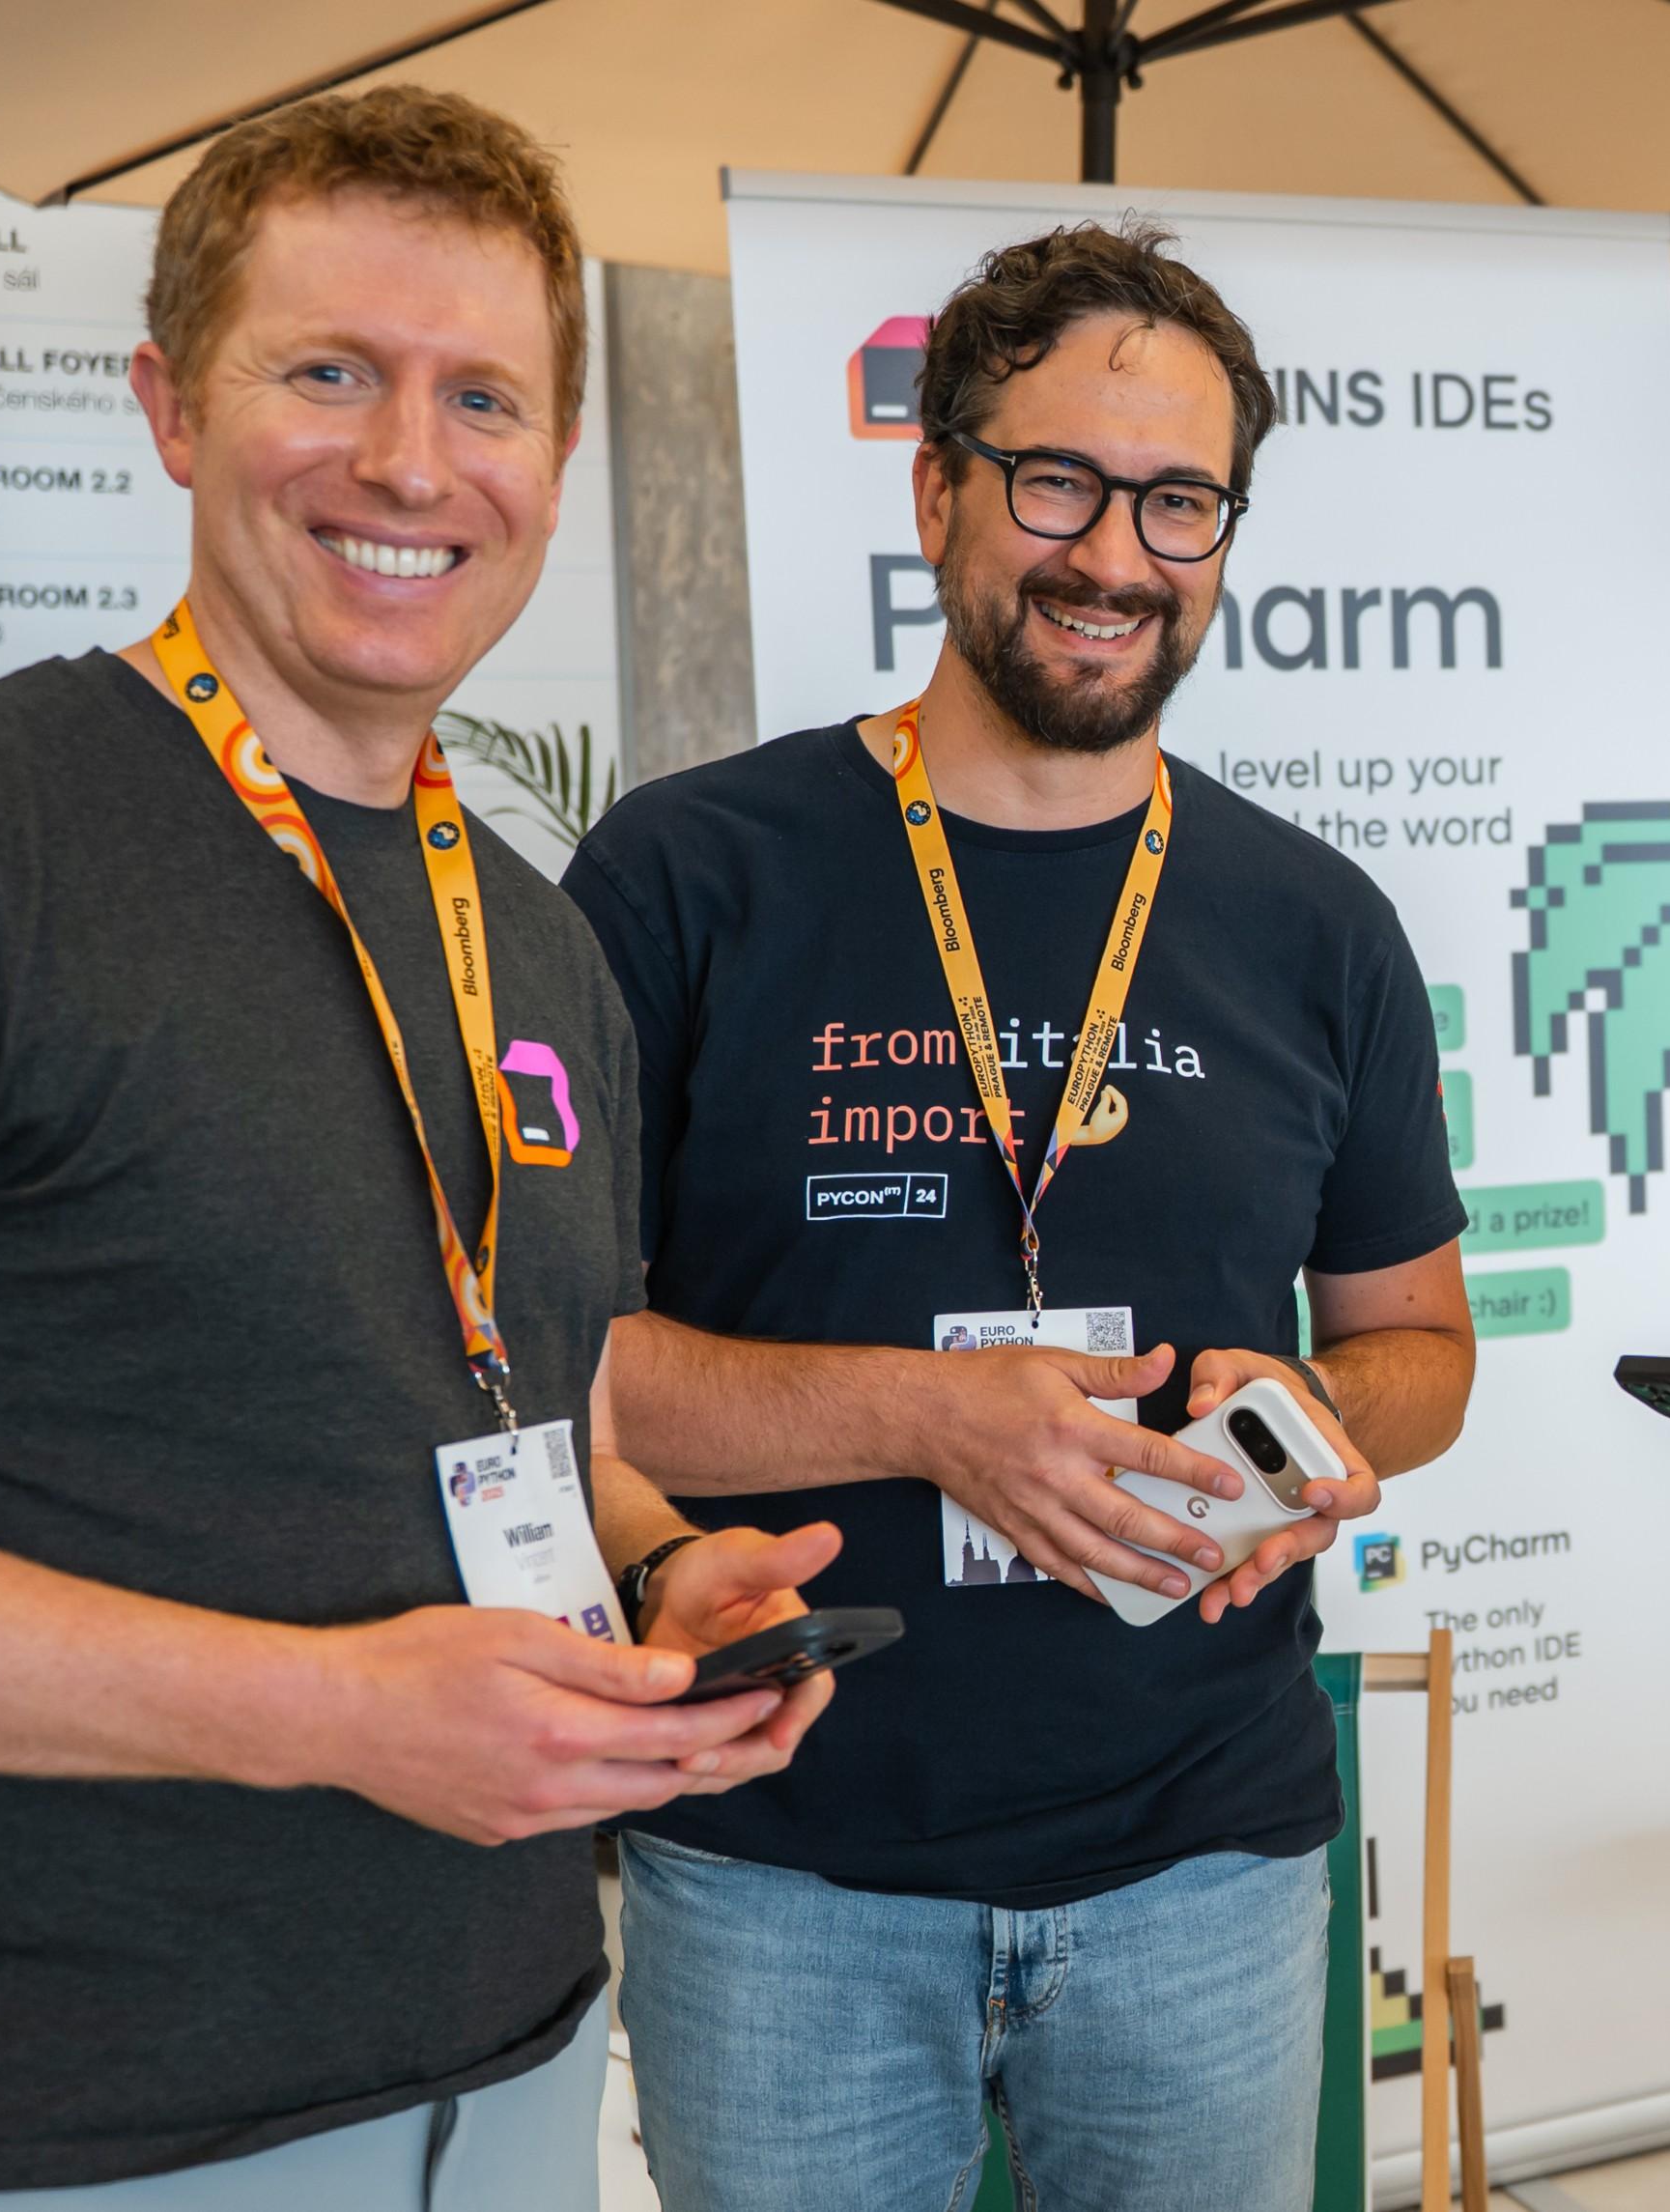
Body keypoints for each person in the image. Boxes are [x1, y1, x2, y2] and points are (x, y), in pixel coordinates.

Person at [0, 86, 837, 2212]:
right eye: (329, 372)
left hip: (510, 2079)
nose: (410, 460)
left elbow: (496, 1415)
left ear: (556, 465)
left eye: (482, 393)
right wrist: (326, 1707)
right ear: (169, 407)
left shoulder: (544, 941)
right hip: (53, 2133)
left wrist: (667, 1574)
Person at [561, 222, 1475, 2212]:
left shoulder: (1318, 924)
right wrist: (928, 1413)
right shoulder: (686, 874)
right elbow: (560, 1370)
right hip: (783, 1853)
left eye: (1179, 501)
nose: (1114, 554)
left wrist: (1323, 1418)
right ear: (937, 486)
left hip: (1207, 1860)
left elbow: (1425, 1345)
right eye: (1057, 480)